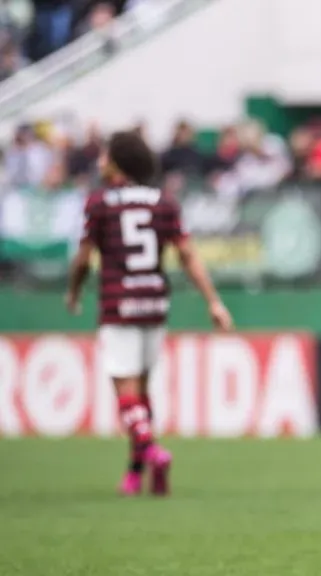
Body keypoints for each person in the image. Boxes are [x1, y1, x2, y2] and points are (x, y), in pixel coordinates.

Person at [65, 131, 233, 497]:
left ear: (118, 161)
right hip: (155, 304)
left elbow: (83, 259)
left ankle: (153, 451)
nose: (99, 162)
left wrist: (74, 291)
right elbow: (188, 255)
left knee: (126, 395)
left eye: (105, 155)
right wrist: (214, 302)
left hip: (118, 305)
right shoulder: (164, 203)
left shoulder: (100, 203)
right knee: (141, 394)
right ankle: (136, 472)